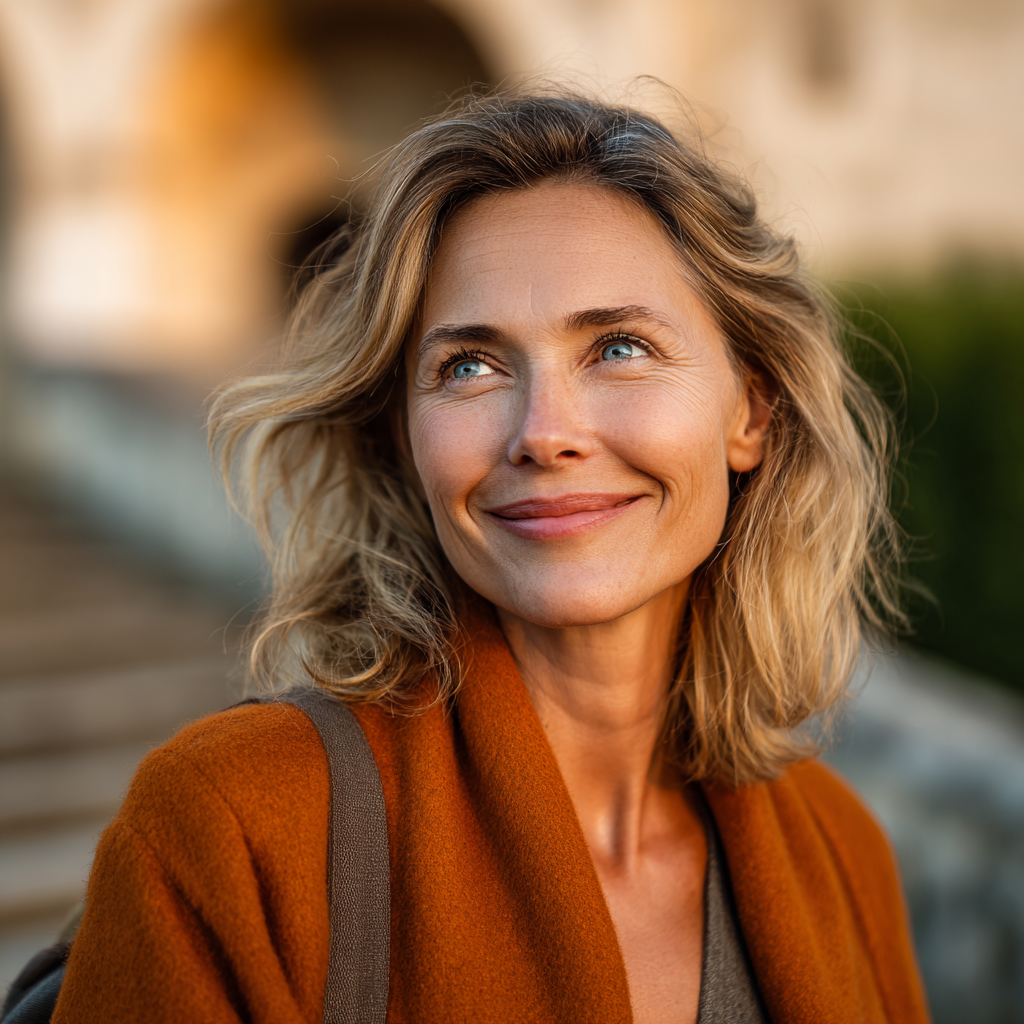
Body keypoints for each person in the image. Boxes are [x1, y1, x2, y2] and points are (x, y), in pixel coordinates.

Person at [51, 90, 928, 1024]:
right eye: (469, 366)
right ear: (402, 434)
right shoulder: (232, 828)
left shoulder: (843, 853)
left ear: (750, 412)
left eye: (620, 347)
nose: (545, 435)